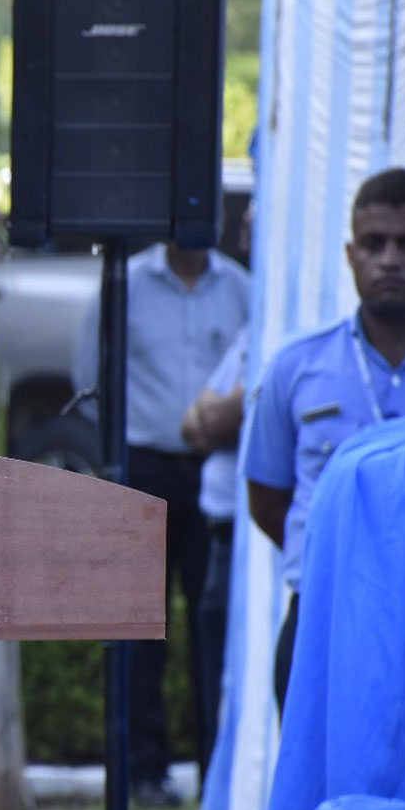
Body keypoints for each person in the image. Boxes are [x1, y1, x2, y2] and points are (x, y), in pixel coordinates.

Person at [244, 167, 405, 707]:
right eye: (373, 244)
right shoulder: (296, 366)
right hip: (326, 614)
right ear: (350, 254)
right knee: (321, 786)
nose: (390, 259)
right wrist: (346, 552)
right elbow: (268, 497)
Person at [73, 240, 249, 807]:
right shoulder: (126, 281)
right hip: (143, 463)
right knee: (140, 627)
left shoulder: (241, 287)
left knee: (213, 622)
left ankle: (214, 771)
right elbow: (88, 373)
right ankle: (143, 772)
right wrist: (115, 458)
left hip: (216, 471)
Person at [179, 328, 247, 777]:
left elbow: (219, 418)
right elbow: (192, 425)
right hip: (219, 535)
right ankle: (214, 790)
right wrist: (225, 410)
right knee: (210, 668)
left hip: (254, 539)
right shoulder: (250, 337)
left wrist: (225, 410)